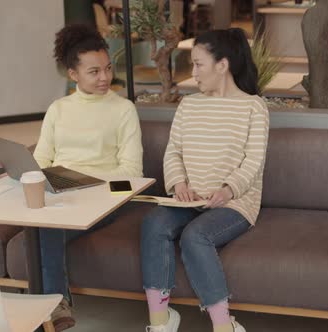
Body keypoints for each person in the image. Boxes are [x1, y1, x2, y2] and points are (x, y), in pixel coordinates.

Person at [141, 28, 269, 332]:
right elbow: (174, 152)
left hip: (235, 203)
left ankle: (225, 326)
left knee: (194, 236)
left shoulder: (253, 107)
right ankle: (161, 322)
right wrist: (179, 185)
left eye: (199, 64)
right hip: (188, 199)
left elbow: (253, 162)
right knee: (153, 224)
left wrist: (227, 191)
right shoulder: (189, 105)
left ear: (222, 65)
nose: (193, 72)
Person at [33, 24, 143, 331]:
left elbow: (133, 172)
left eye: (107, 69)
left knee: (46, 227)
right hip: (62, 192)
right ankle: (45, 304)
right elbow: (41, 159)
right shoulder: (58, 109)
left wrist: (81, 178)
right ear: (73, 75)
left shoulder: (123, 110)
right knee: (43, 221)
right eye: (94, 72)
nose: (105, 78)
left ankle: (53, 304)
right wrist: (40, 176)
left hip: (105, 197)